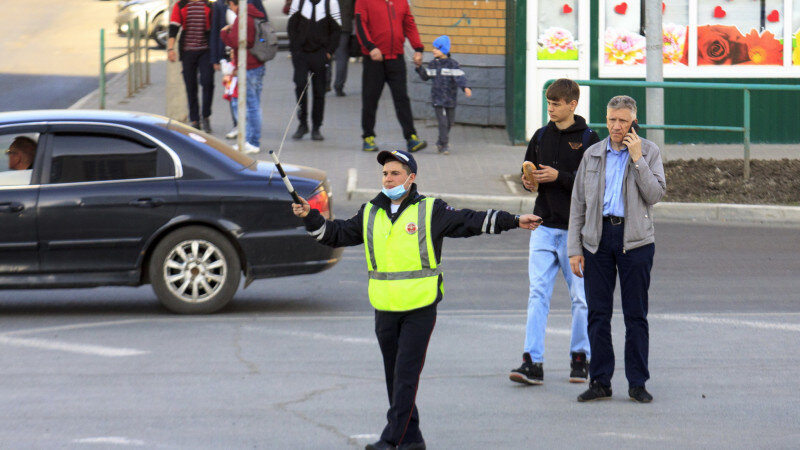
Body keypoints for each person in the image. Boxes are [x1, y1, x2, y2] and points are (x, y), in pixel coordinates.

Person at [290, 150, 542, 450]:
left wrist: (513, 220)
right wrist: (310, 216)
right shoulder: (370, 211)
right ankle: (412, 440)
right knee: (393, 378)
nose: (388, 178)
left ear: (411, 178)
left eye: (395, 173)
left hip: (419, 307)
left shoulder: (429, 210)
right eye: (385, 173)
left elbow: (470, 220)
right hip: (384, 307)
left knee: (405, 377)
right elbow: (335, 234)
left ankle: (391, 438)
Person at [568, 95, 666, 403]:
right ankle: (600, 381)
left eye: (623, 121)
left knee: (635, 315)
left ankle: (637, 382)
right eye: (611, 119)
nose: (616, 126)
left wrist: (637, 160)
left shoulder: (649, 151)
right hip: (598, 240)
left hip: (635, 241)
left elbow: (654, 195)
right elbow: (578, 205)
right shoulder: (593, 154)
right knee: (598, 313)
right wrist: (575, 248)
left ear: (633, 121)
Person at [509, 79, 600, 386]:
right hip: (544, 226)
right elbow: (529, 173)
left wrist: (559, 176)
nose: (551, 108)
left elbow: (593, 185)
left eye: (556, 103)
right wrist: (530, 181)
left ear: (572, 105)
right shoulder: (540, 136)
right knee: (537, 295)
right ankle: (532, 362)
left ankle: (580, 358)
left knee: (581, 299)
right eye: (548, 102)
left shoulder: (590, 138)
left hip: (577, 233)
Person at [355, 0, 426, 153]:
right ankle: (368, 137)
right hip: (374, 59)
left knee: (402, 99)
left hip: (396, 59)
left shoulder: (401, 2)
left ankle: (411, 137)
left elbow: (409, 24)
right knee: (370, 98)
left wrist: (418, 48)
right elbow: (360, 25)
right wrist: (370, 47)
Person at [287, 0, 342, 141]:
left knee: (319, 91)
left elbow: (337, 30)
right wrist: (295, 51)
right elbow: (291, 27)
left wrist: (329, 52)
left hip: (320, 54)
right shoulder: (298, 3)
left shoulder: (331, 3)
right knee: (300, 86)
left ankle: (316, 127)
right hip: (301, 54)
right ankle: (303, 124)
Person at [220, 0, 267, 154]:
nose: (230, 9)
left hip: (249, 66)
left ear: (235, 4)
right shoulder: (254, 14)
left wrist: (224, 32)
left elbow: (236, 41)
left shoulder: (243, 18)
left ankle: (252, 142)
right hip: (257, 65)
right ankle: (248, 140)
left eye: (230, 5)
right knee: (253, 104)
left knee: (251, 106)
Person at [414, 35, 472, 155]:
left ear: (444, 49)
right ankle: (444, 145)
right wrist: (419, 67)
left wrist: (465, 88)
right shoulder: (433, 64)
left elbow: (460, 78)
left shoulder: (453, 64)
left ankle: (440, 141)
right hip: (437, 98)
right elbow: (425, 76)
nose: (433, 50)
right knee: (443, 122)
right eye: (433, 48)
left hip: (450, 98)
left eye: (436, 48)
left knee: (450, 122)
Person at [168, 0, 215, 133]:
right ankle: (195, 120)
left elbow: (214, 29)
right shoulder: (181, 5)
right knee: (190, 85)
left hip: (205, 51)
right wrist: (170, 49)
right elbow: (173, 28)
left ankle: (205, 116)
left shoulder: (208, 5)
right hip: (188, 52)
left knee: (208, 82)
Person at [331, 0, 354, 96]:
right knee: (341, 56)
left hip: (328, 24)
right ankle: (339, 86)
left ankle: (325, 82)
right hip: (344, 24)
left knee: (325, 54)